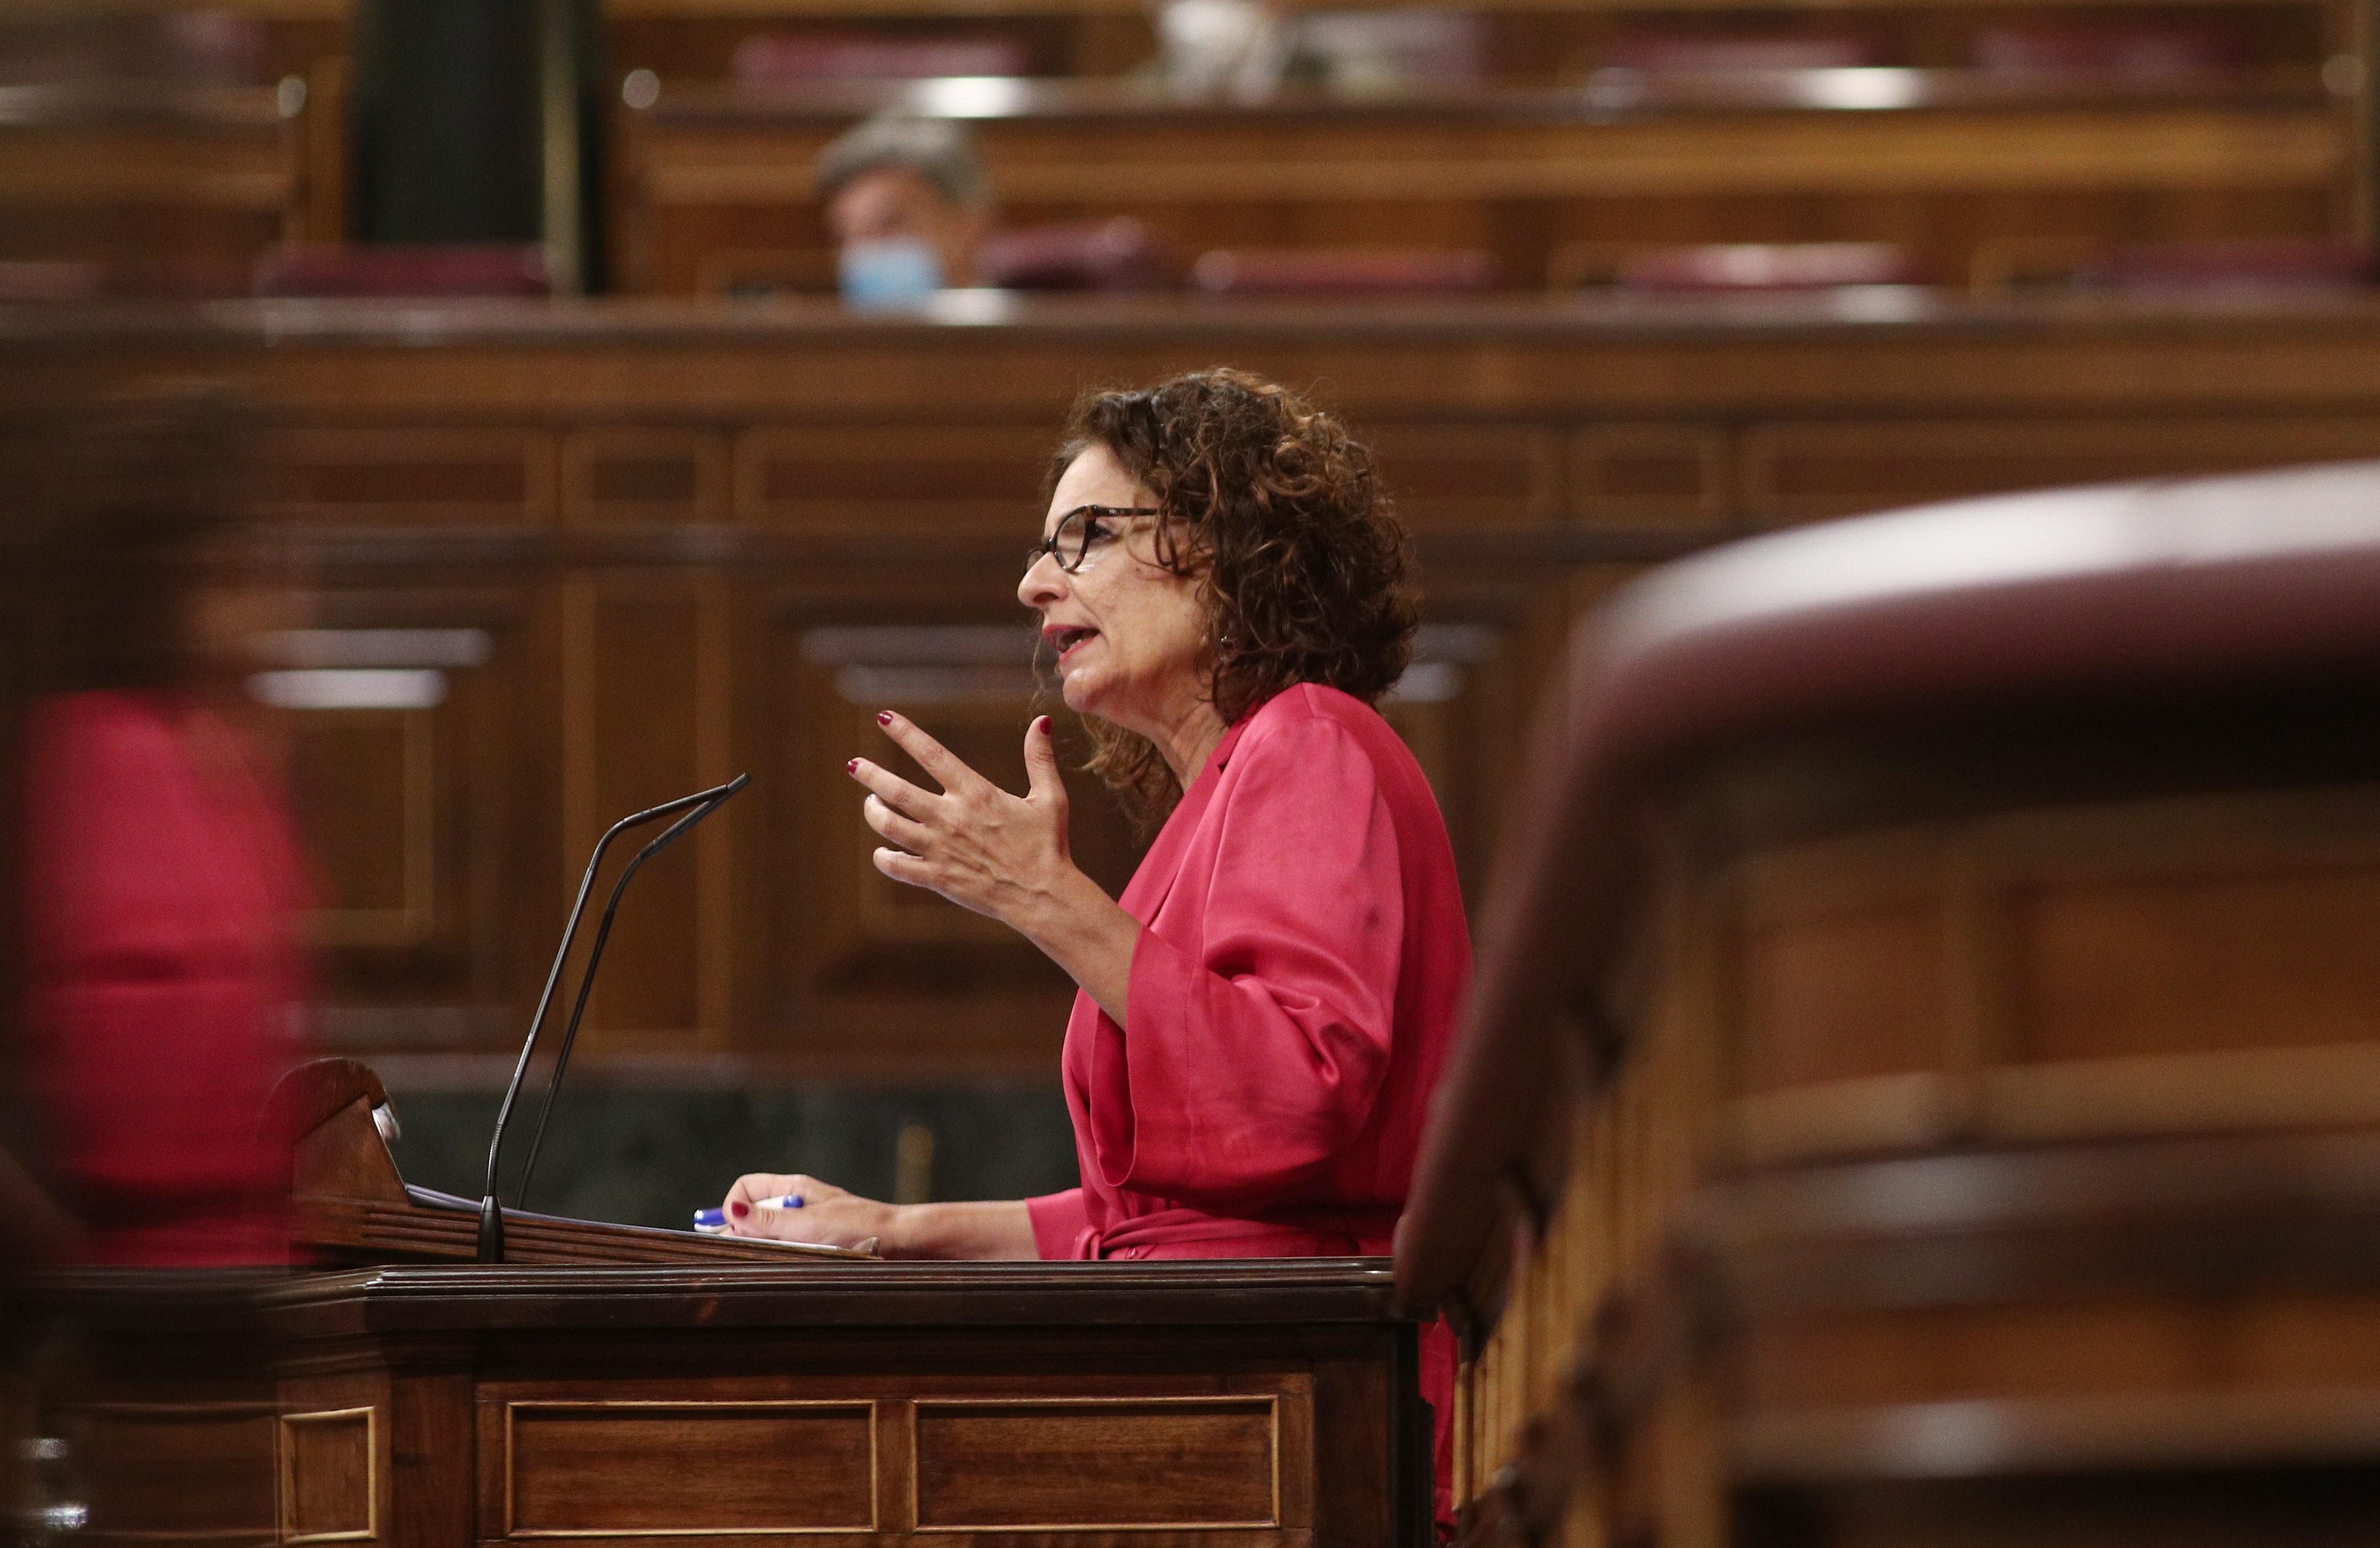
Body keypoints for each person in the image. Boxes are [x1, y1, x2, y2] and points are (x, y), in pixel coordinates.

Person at [722, 367, 1466, 1523]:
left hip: (1312, 1416)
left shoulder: (1312, 742)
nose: (1032, 583)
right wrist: (888, 1229)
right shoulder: (1222, 797)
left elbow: (1294, 1098)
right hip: (1236, 1390)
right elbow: (1144, 1222)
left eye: (1084, 536)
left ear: (1226, 542)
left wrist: (1046, 897)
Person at [21, 388, 312, 1266]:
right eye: (234, 575)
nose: (277, 603)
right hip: (108, 1295)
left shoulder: (231, 758)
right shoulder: (79, 758)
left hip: (248, 1280)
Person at [817, 113, 994, 306]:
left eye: (888, 223)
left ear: (970, 224)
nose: (864, 253)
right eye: (845, 235)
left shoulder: (1024, 330)